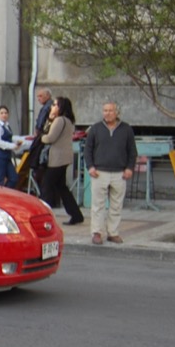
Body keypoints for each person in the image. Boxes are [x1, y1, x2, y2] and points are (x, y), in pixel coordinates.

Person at [83, 100, 137, 244]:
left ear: (117, 112)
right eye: (105, 110)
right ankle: (96, 232)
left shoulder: (126, 129)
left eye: (110, 110)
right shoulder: (95, 128)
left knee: (116, 205)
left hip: (119, 173)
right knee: (98, 205)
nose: (107, 113)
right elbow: (87, 150)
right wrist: (90, 167)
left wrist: (129, 168)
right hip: (99, 172)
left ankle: (113, 233)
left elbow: (132, 151)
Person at [38, 96, 83, 224]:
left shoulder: (59, 120)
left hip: (56, 159)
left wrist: (42, 138)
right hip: (64, 158)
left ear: (61, 107)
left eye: (55, 105)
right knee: (61, 187)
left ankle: (43, 216)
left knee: (46, 186)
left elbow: (49, 137)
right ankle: (76, 214)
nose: (52, 107)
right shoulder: (68, 121)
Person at [0, 104, 24, 188]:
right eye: (1, 113)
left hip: (6, 157)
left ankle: (5, 193)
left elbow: (10, 137)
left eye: (6, 113)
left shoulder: (6, 126)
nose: (4, 115)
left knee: (14, 178)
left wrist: (21, 140)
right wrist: (12, 146)